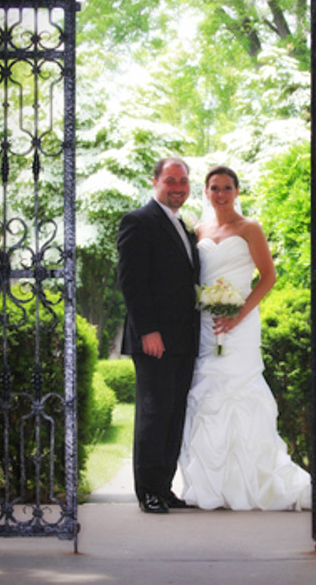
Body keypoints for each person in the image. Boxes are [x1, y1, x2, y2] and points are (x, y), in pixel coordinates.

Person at [177, 166, 310, 510]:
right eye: (214, 188)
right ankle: (212, 486)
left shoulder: (250, 228)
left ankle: (255, 482)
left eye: (226, 188)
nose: (220, 194)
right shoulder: (198, 230)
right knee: (207, 396)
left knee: (241, 393)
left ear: (237, 192)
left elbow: (268, 277)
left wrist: (238, 314)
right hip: (208, 325)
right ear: (205, 192)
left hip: (242, 323)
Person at [117, 156, 202, 514]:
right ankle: (148, 491)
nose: (178, 188)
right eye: (171, 181)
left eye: (183, 182)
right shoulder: (138, 221)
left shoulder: (182, 224)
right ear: (155, 182)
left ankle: (164, 488)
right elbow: (132, 282)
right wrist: (148, 330)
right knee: (153, 415)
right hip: (154, 339)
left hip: (184, 340)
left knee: (173, 414)